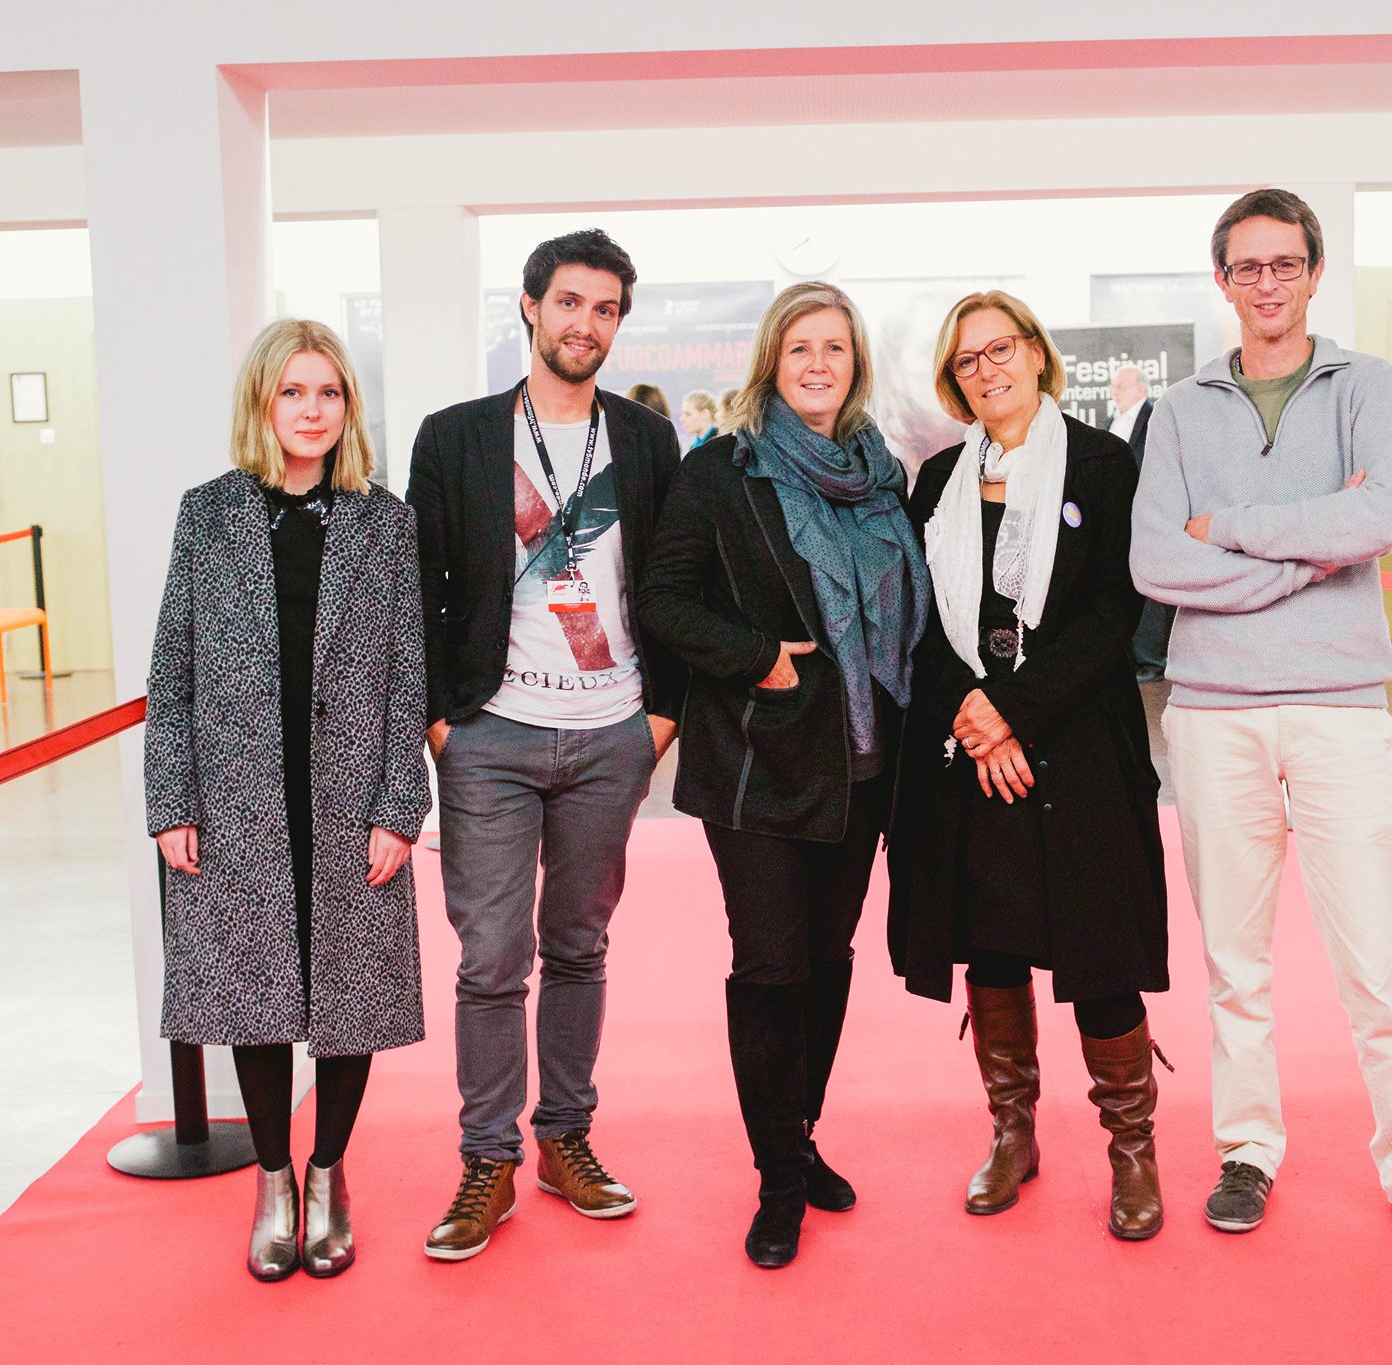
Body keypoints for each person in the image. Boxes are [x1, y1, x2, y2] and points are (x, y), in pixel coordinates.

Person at [1129, 188, 1392, 1253]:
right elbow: (1155, 559)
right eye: (1246, 268)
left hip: (1338, 710)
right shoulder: (1183, 408)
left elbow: (1378, 517)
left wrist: (1234, 536)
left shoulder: (1362, 384)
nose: (1266, 284)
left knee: (1373, 960)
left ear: (1313, 272)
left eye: (1283, 264)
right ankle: (1246, 1148)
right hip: (1211, 715)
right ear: (1222, 281)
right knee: (1233, 961)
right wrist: (1304, 564)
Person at [407, 228, 687, 1263]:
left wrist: (659, 719)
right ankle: (488, 1161)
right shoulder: (456, 438)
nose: (586, 325)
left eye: (606, 309)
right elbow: (419, 593)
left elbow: (671, 588)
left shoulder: (646, 444)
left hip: (611, 735)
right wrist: (443, 721)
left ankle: (565, 1136)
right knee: (490, 958)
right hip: (489, 737)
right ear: (528, 308)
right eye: (568, 303)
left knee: (579, 947)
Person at [639, 282, 930, 1268]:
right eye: (800, 347)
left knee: (830, 959)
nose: (817, 364)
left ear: (855, 365)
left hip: (862, 759)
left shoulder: (880, 474)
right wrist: (759, 653)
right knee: (771, 965)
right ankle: (776, 1182)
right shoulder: (723, 469)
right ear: (771, 358)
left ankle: (797, 1143)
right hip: (761, 761)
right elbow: (663, 601)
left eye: (835, 349)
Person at [144, 318, 430, 1282]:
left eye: (330, 393)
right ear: (262, 402)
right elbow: (172, 666)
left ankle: (329, 1173)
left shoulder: (384, 521)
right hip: (236, 797)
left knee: (349, 996)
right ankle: (274, 1182)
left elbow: (406, 676)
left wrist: (400, 805)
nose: (312, 410)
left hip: (351, 797)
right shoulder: (207, 513)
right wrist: (169, 797)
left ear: (349, 408)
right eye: (293, 392)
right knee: (253, 992)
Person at [887, 290, 1171, 1242]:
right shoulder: (935, 481)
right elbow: (920, 621)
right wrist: (977, 716)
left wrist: (1010, 707)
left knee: (1100, 955)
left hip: (1080, 750)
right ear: (952, 380)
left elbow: (1112, 618)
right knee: (994, 945)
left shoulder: (1103, 461)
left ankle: (1133, 1152)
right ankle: (1014, 1132)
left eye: (1000, 349)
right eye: (967, 361)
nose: (988, 369)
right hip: (972, 754)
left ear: (1037, 355)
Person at [1110, 365, 1172, 683]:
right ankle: (1130, 657)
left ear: (1142, 390)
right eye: (1114, 385)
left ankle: (1152, 660)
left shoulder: (1155, 419)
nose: (1114, 391)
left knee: (1150, 592)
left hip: (1147, 515)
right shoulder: (1113, 422)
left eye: (1121, 385)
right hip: (1117, 519)